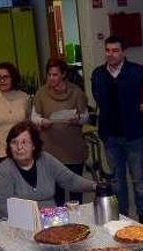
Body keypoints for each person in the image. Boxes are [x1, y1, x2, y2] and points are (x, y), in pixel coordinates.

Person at [90, 35, 143, 224]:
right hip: (111, 137)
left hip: (134, 136)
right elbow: (98, 100)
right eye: (108, 50)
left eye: (115, 50)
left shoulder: (138, 72)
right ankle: (122, 216)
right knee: (117, 180)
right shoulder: (98, 74)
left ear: (123, 52)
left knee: (138, 179)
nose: (111, 54)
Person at [0, 121, 96, 218]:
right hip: (20, 224)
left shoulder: (45, 159)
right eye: (14, 142)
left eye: (24, 142)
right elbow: (4, 208)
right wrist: (37, 218)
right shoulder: (4, 169)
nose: (19, 147)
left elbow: (71, 180)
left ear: (34, 145)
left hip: (51, 221)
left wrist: (95, 186)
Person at [31, 57, 90, 207]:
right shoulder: (41, 93)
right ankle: (60, 223)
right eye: (49, 74)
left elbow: (86, 116)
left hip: (73, 148)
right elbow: (34, 116)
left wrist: (77, 118)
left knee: (75, 189)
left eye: (55, 75)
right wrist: (42, 121)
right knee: (56, 192)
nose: (51, 78)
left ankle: (77, 222)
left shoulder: (76, 92)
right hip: (51, 149)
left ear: (63, 74)